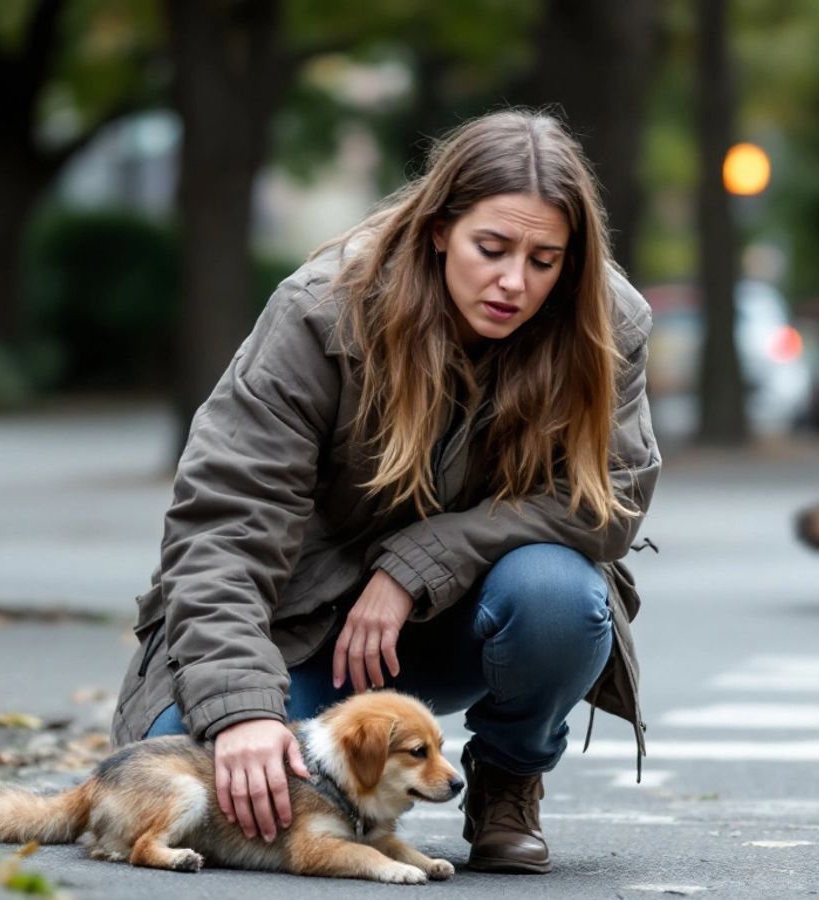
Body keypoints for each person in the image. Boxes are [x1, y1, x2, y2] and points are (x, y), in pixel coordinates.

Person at [111, 108, 661, 875]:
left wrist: (418, 564)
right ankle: (292, 756)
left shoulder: (606, 324)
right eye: (492, 249)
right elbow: (222, 526)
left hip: (470, 622)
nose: (514, 282)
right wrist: (240, 709)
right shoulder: (321, 311)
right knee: (200, 760)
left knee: (559, 596)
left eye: (545, 260)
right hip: (302, 630)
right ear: (439, 228)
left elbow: (612, 500)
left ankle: (506, 777)